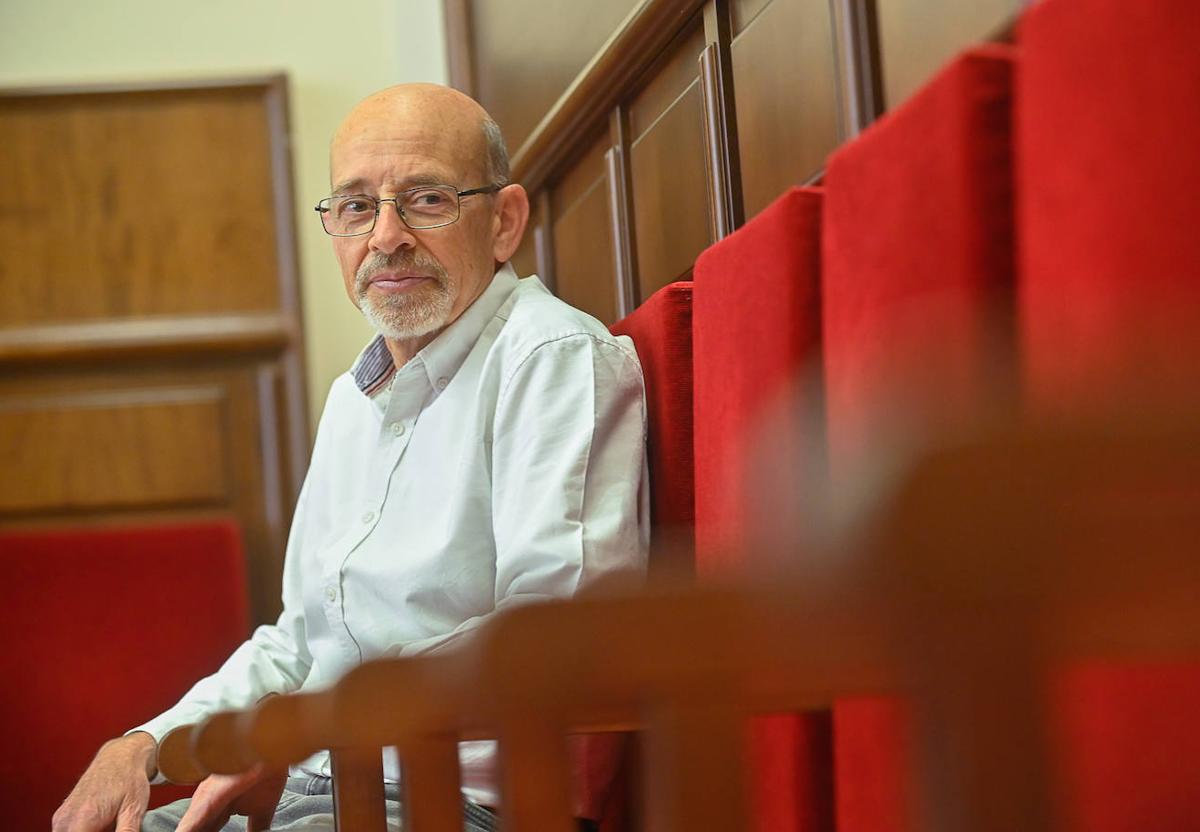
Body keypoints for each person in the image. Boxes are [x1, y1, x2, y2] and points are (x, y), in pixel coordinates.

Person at [52, 83, 647, 832]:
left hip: (459, 807)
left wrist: (310, 727)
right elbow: (298, 640)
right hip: (317, 795)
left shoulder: (552, 358)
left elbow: (560, 637)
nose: (386, 236)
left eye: (427, 199)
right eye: (357, 207)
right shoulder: (351, 399)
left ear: (503, 222)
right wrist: (143, 744)